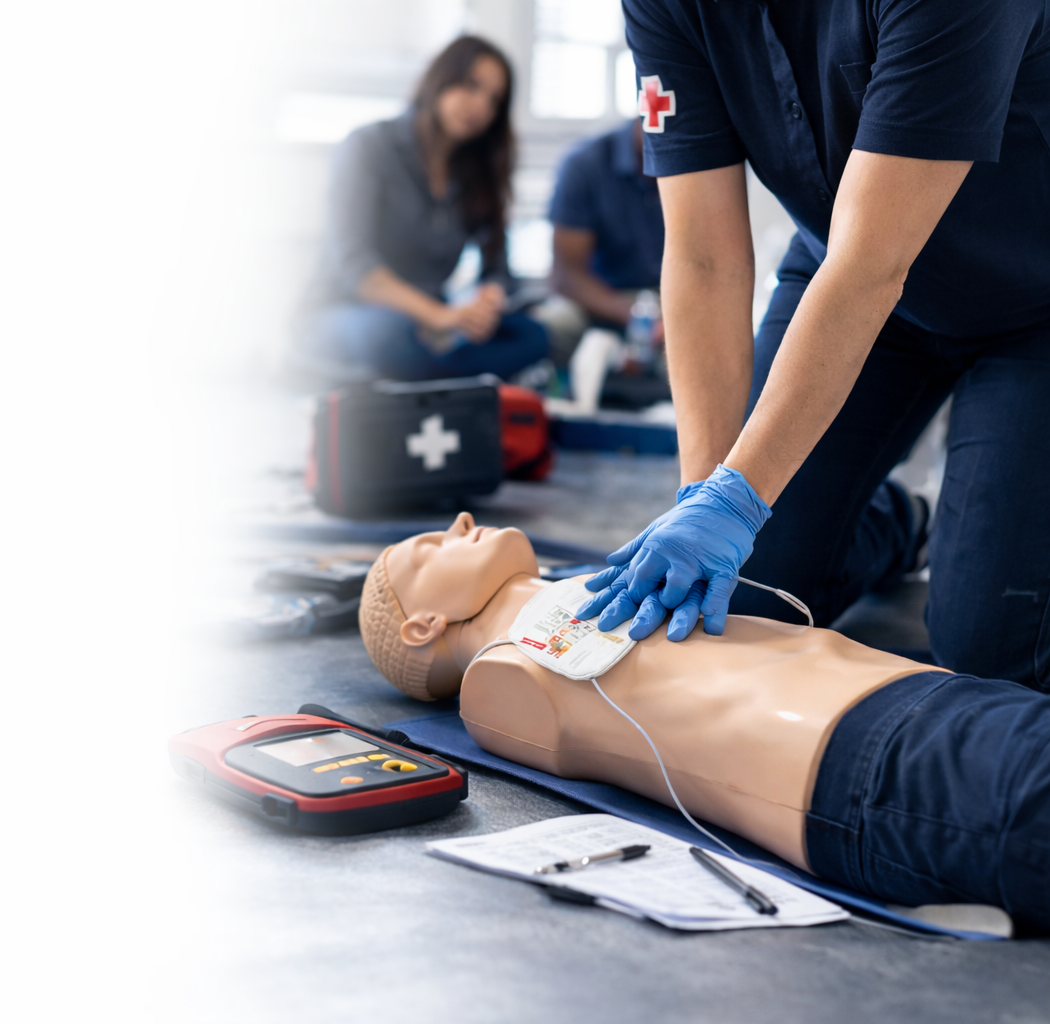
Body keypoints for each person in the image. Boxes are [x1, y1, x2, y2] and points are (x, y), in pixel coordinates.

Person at [573, 1, 1050, 691]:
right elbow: (704, 258)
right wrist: (705, 498)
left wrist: (740, 498)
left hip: (1029, 298)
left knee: (989, 652)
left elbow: (872, 265)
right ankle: (903, 525)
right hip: (846, 270)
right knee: (744, 596)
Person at [358, 514, 1050, 931]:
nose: (460, 523)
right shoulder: (499, 679)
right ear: (423, 625)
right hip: (869, 766)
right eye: (432, 547)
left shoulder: (601, 581)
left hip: (914, 699)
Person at [296, 36, 547, 382]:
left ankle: (433, 380)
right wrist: (438, 316)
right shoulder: (368, 145)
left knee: (534, 336)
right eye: (471, 85)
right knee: (391, 337)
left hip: (431, 327)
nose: (480, 106)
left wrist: (487, 301)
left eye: (494, 100)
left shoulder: (475, 173)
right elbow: (354, 266)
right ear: (440, 79)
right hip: (350, 311)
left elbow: (498, 271)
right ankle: (448, 379)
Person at [547, 120, 663, 356]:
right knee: (552, 326)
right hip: (602, 298)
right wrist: (637, 317)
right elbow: (566, 277)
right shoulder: (585, 164)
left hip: (675, 298)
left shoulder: (706, 164)